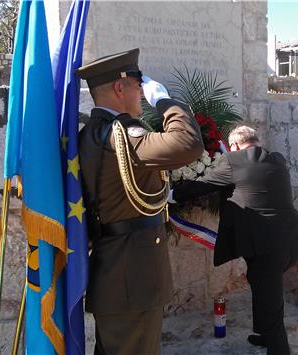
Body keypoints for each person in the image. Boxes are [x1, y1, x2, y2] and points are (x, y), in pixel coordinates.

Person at [75, 48, 203, 355]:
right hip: (134, 278)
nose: (142, 95)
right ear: (120, 88)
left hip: (112, 271)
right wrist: (165, 101)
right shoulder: (124, 134)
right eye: (138, 86)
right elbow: (187, 143)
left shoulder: (89, 133)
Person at [171, 125, 298, 355]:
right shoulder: (277, 159)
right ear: (256, 140)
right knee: (259, 282)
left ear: (234, 145)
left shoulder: (233, 160)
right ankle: (264, 334)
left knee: (271, 301)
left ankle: (279, 349)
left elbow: (204, 184)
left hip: (267, 246)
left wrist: (172, 195)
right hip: (292, 239)